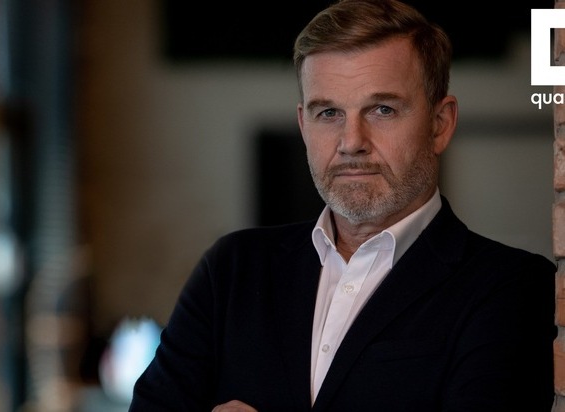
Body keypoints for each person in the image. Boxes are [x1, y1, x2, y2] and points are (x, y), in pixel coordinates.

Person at [128, 0, 557, 410]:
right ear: (303, 125)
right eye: (329, 113)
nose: (352, 142)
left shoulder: (512, 288)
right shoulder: (232, 270)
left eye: (383, 109)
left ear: (440, 125)